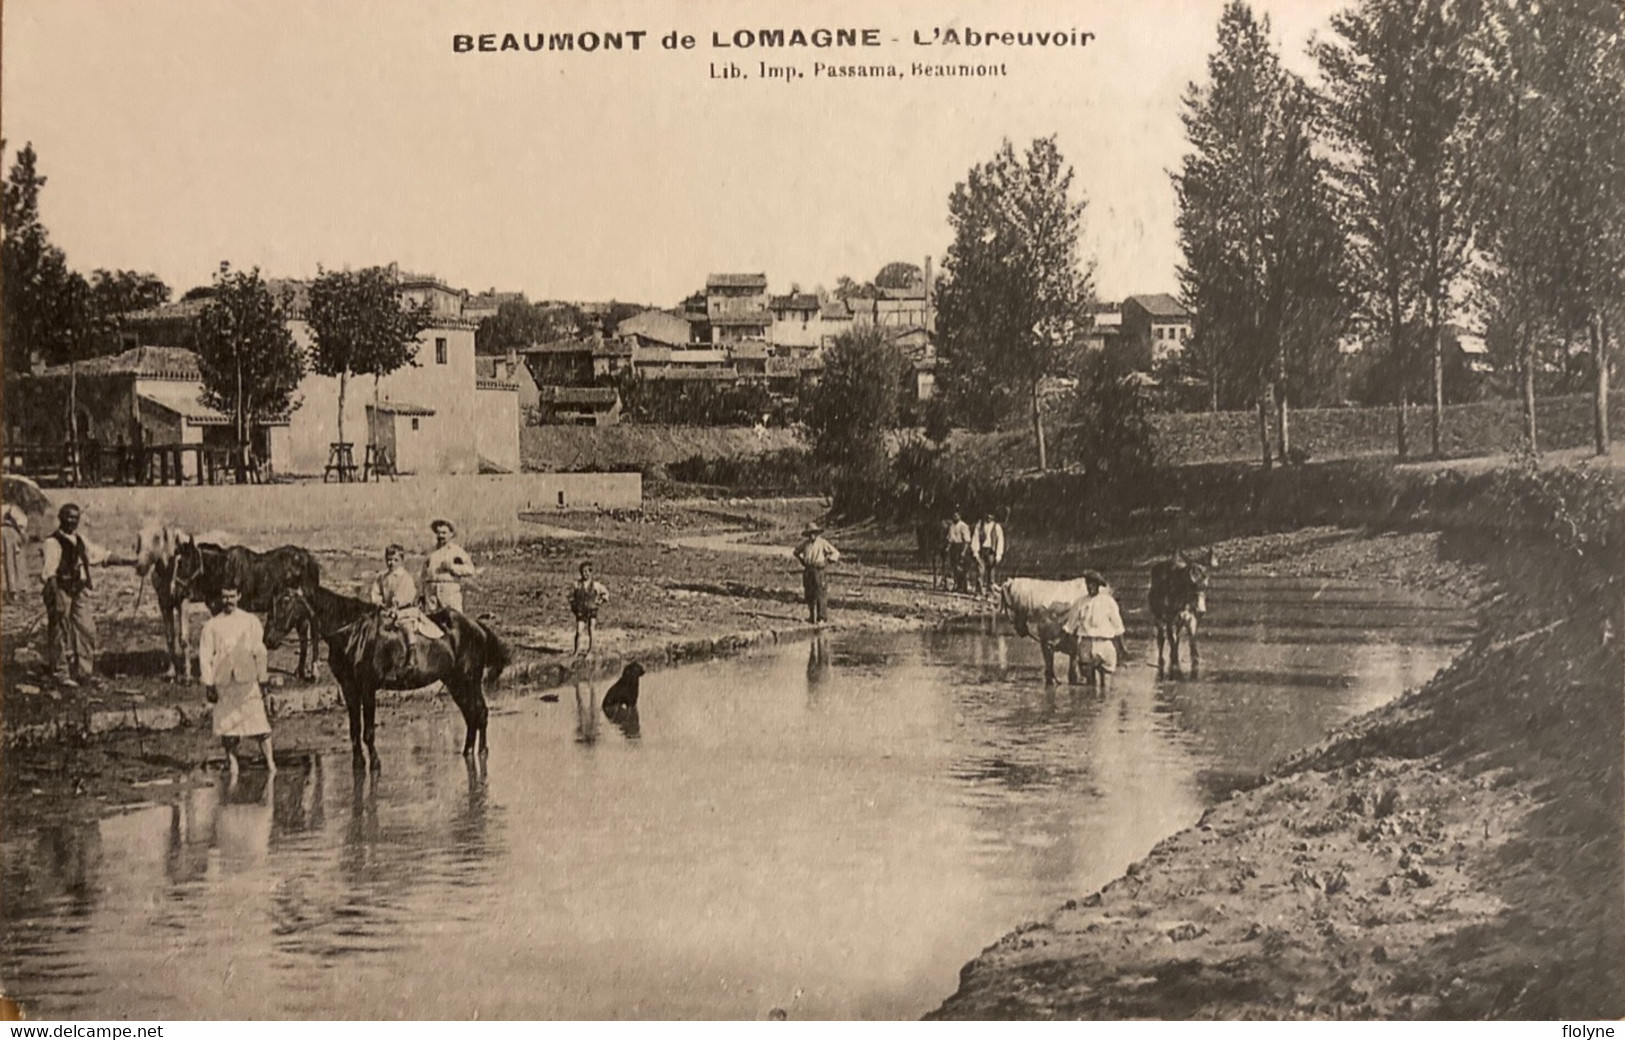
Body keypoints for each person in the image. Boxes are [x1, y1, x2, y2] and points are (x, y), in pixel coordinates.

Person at [199, 581, 275, 778]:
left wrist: (263, 678)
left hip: (247, 682)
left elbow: (260, 651)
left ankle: (270, 764)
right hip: (224, 683)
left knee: (260, 725)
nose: (228, 601)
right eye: (225, 597)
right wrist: (209, 684)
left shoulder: (250, 621)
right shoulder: (212, 625)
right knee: (228, 727)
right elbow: (205, 656)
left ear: (239, 596)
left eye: (232, 596)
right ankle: (233, 763)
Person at [40, 503, 107, 686]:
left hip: (79, 589)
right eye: (69, 517)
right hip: (60, 588)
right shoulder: (52, 542)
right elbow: (50, 573)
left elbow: (99, 555)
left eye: (76, 518)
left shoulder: (80, 540)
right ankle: (60, 673)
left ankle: (85, 672)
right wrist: (58, 599)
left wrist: (130, 561)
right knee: (59, 630)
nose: (73, 521)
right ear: (61, 518)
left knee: (86, 629)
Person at [370, 544, 441, 669]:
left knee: (406, 626)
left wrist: (395, 605)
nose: (391, 563)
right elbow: (376, 592)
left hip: (404, 610)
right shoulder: (382, 577)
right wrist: (378, 602)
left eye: (395, 560)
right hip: (386, 611)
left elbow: (405, 595)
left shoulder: (405, 577)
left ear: (402, 561)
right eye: (389, 560)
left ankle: (412, 653)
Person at [1062, 570, 1127, 688]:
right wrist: (1072, 652)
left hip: (1105, 644)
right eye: (1088, 584)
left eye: (1093, 584)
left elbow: (1118, 627)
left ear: (1098, 585)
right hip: (1086, 644)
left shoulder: (1108, 602)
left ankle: (1104, 704)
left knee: (1106, 684)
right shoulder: (1079, 603)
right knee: (1089, 684)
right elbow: (1070, 628)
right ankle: (1091, 704)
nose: (1090, 587)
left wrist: (1122, 648)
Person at [422, 519, 476, 613]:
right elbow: (424, 573)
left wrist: (452, 567)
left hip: (449, 590)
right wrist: (422, 593)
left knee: (452, 619)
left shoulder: (457, 551)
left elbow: (470, 570)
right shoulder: (431, 552)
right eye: (438, 533)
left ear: (451, 534)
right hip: (431, 592)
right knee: (431, 620)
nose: (441, 536)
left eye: (444, 533)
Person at [792, 523, 840, 623]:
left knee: (820, 593)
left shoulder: (822, 543)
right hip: (808, 569)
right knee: (809, 593)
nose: (812, 536)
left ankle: (821, 617)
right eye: (810, 534)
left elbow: (836, 553)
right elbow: (796, 552)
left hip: (819, 570)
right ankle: (811, 616)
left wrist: (827, 561)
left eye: (813, 533)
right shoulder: (805, 544)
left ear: (817, 533)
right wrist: (802, 560)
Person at [569, 561, 610, 655]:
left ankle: (591, 650)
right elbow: (571, 596)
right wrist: (573, 606)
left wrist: (600, 601)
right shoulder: (577, 584)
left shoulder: (596, 585)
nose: (585, 574)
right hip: (581, 610)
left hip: (592, 609)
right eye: (583, 572)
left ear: (591, 572)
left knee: (591, 629)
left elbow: (606, 594)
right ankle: (576, 651)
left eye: (587, 571)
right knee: (579, 631)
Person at [972, 511, 1006, 598]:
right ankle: (979, 592)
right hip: (982, 551)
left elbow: (1000, 541)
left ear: (993, 516)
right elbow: (975, 538)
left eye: (991, 515)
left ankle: (990, 593)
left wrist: (999, 554)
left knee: (991, 573)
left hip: (991, 552)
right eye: (987, 515)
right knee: (980, 572)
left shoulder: (997, 527)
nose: (989, 517)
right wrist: (975, 551)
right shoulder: (979, 525)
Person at [3, 502, 28, 603]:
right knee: (15, 562)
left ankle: (10, 590)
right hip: (12, 533)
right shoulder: (14, 509)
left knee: (7, 562)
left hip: (5, 533)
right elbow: (18, 525)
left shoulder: (8, 507)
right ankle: (14, 591)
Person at [946, 510, 973, 593]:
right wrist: (948, 548)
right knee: (954, 567)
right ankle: (956, 585)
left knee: (962, 568)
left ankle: (964, 586)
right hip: (954, 547)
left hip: (961, 546)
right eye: (954, 516)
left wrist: (964, 551)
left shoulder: (963, 526)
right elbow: (950, 539)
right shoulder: (951, 526)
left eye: (956, 516)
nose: (955, 517)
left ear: (960, 516)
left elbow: (967, 541)